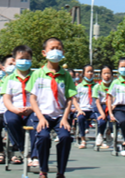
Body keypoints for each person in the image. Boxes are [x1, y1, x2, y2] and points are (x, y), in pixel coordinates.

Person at [27, 37, 78, 178]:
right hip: (42, 115)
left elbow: (69, 98)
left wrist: (65, 118)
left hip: (59, 116)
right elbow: (32, 98)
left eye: (59, 48)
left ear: (63, 52)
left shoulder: (66, 76)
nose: (56, 51)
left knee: (66, 137)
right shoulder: (37, 74)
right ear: (44, 53)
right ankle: (43, 169)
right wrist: (40, 117)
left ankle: (61, 171)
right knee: (43, 137)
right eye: (52, 48)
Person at [2, 45, 36, 165]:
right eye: (21, 58)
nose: (24, 61)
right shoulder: (9, 79)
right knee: (10, 121)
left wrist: (31, 108)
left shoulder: (36, 77)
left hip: (32, 110)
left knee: (37, 124)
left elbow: (40, 97)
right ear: (15, 60)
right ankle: (22, 150)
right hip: (14, 109)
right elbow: (6, 99)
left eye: (27, 58)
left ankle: (35, 155)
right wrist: (15, 110)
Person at [73, 65, 95, 149]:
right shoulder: (79, 87)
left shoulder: (96, 86)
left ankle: (101, 138)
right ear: (83, 73)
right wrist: (78, 110)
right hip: (83, 109)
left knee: (101, 119)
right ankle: (83, 139)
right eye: (88, 71)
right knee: (81, 118)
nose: (90, 73)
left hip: (93, 110)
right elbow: (74, 100)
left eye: (91, 71)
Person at [92, 65, 114, 149]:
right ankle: (100, 134)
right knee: (102, 121)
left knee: (113, 120)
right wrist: (102, 113)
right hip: (100, 107)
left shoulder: (114, 85)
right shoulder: (97, 87)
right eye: (104, 73)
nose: (107, 75)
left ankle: (109, 133)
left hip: (111, 107)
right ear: (101, 75)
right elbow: (97, 102)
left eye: (109, 73)